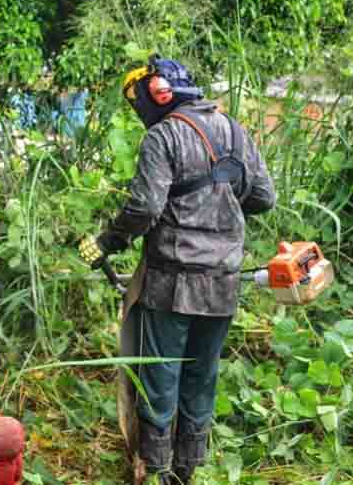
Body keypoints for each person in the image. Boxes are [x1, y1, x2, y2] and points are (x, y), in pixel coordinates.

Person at [79, 56, 276, 485]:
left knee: (160, 376)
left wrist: (108, 240)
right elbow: (264, 197)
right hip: (223, 278)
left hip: (172, 280)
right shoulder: (233, 130)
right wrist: (218, 202)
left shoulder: (162, 137)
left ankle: (156, 470)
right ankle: (188, 473)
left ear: (157, 94)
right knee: (202, 376)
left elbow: (145, 207)